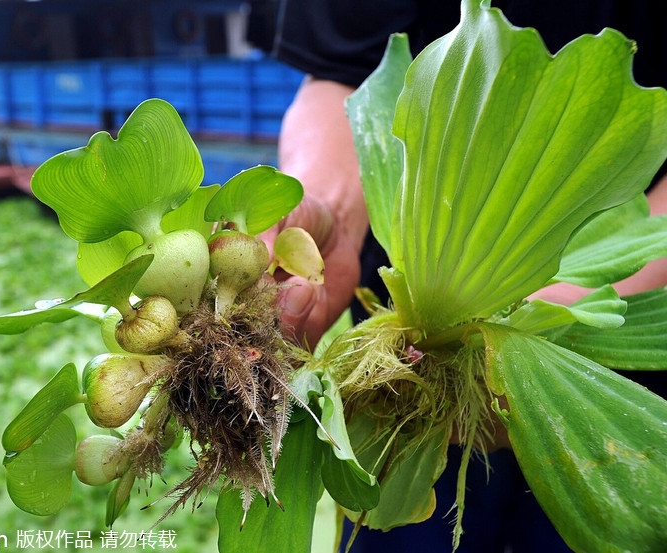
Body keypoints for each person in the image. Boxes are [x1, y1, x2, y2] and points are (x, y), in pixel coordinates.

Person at [258, 1, 667, 551]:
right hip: (404, 394)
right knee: (400, 524)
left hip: (606, 390)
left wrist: (569, 309)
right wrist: (328, 207)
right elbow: (341, 72)